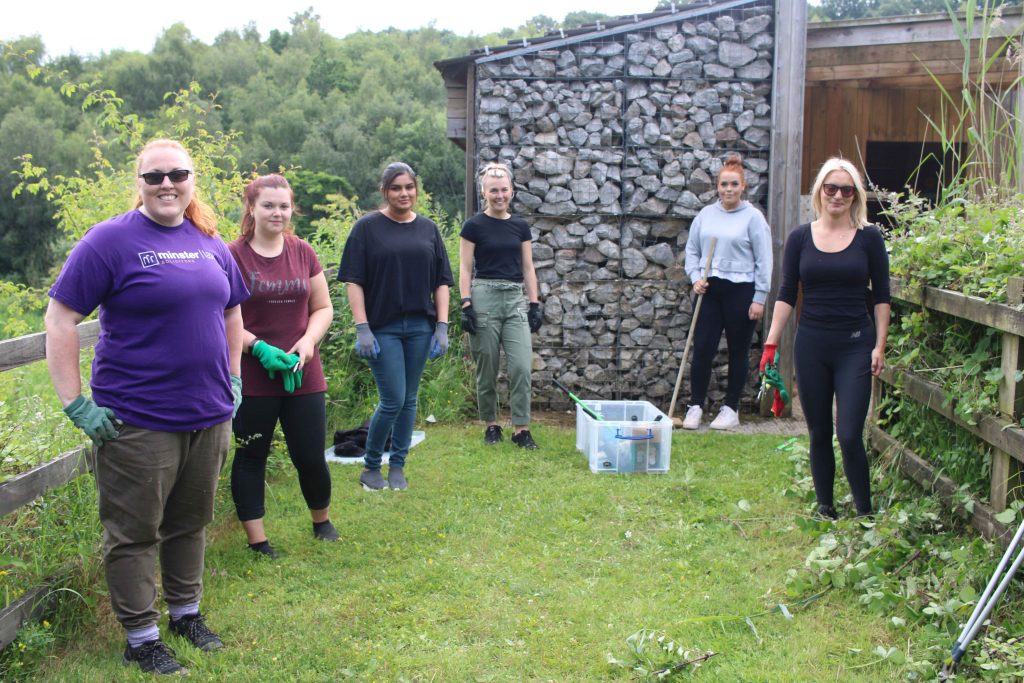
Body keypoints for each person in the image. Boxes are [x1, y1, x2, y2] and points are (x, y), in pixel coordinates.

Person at [44, 139, 249, 675]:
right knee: (133, 533)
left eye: (176, 175)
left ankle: (185, 614)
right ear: (138, 182)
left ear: (191, 181)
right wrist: (75, 404)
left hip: (208, 414)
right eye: (154, 176)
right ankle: (140, 637)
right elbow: (60, 318)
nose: (166, 184)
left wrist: (233, 376)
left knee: (190, 522)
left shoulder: (209, 241)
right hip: (137, 422)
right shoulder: (109, 241)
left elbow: (231, 313)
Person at [762, 157, 891, 519]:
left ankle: (865, 513)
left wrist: (879, 345)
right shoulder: (801, 237)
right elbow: (787, 293)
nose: (837, 195)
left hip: (855, 344)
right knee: (819, 432)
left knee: (848, 433)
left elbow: (882, 296)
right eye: (830, 188)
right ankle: (826, 507)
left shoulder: (869, 238)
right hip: (812, 345)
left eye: (845, 189)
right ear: (819, 192)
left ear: (855, 196)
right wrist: (771, 344)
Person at [228, 174, 336, 559]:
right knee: (251, 455)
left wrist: (308, 342)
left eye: (284, 206)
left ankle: (321, 521)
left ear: (292, 209)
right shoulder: (232, 256)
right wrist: (257, 347)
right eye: (268, 205)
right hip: (252, 375)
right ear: (251, 208)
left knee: (309, 454)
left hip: (301, 371)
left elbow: (323, 308)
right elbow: (222, 318)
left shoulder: (303, 251)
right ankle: (258, 541)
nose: (277, 212)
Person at [338, 162, 453, 491]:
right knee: (393, 398)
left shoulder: (429, 229)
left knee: (410, 399)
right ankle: (371, 467)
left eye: (409, 187)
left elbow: (442, 282)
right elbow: (353, 281)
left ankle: (398, 466)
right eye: (396, 188)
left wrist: (442, 326)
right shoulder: (367, 228)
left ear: (417, 189)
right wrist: (362, 327)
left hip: (420, 326)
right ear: (384, 191)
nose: (404, 193)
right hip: (382, 327)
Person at [682, 154, 773, 430]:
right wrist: (696, 278)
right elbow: (692, 251)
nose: (728, 189)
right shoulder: (706, 215)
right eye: (724, 184)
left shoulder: (753, 218)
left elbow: (764, 260)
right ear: (717, 187)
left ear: (743, 186)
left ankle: (730, 408)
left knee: (738, 350)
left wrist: (760, 297)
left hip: (742, 291)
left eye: (734, 184)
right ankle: (696, 405)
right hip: (710, 289)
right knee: (703, 348)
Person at [459, 162, 542, 448]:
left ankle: (521, 428)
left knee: (521, 366)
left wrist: (534, 303)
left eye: (504, 189)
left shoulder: (519, 226)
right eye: (493, 190)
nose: (499, 195)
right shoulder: (473, 226)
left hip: (514, 297)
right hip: (484, 297)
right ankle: (491, 424)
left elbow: (529, 268)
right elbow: (465, 267)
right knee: (487, 367)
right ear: (484, 192)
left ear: (511, 191)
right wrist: (466, 303)